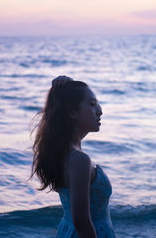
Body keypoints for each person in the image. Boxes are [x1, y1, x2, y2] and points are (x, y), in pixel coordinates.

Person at [31, 75, 115, 238]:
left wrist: (67, 87)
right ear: (72, 113)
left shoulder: (66, 153)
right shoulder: (79, 160)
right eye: (92, 104)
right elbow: (82, 222)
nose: (100, 110)